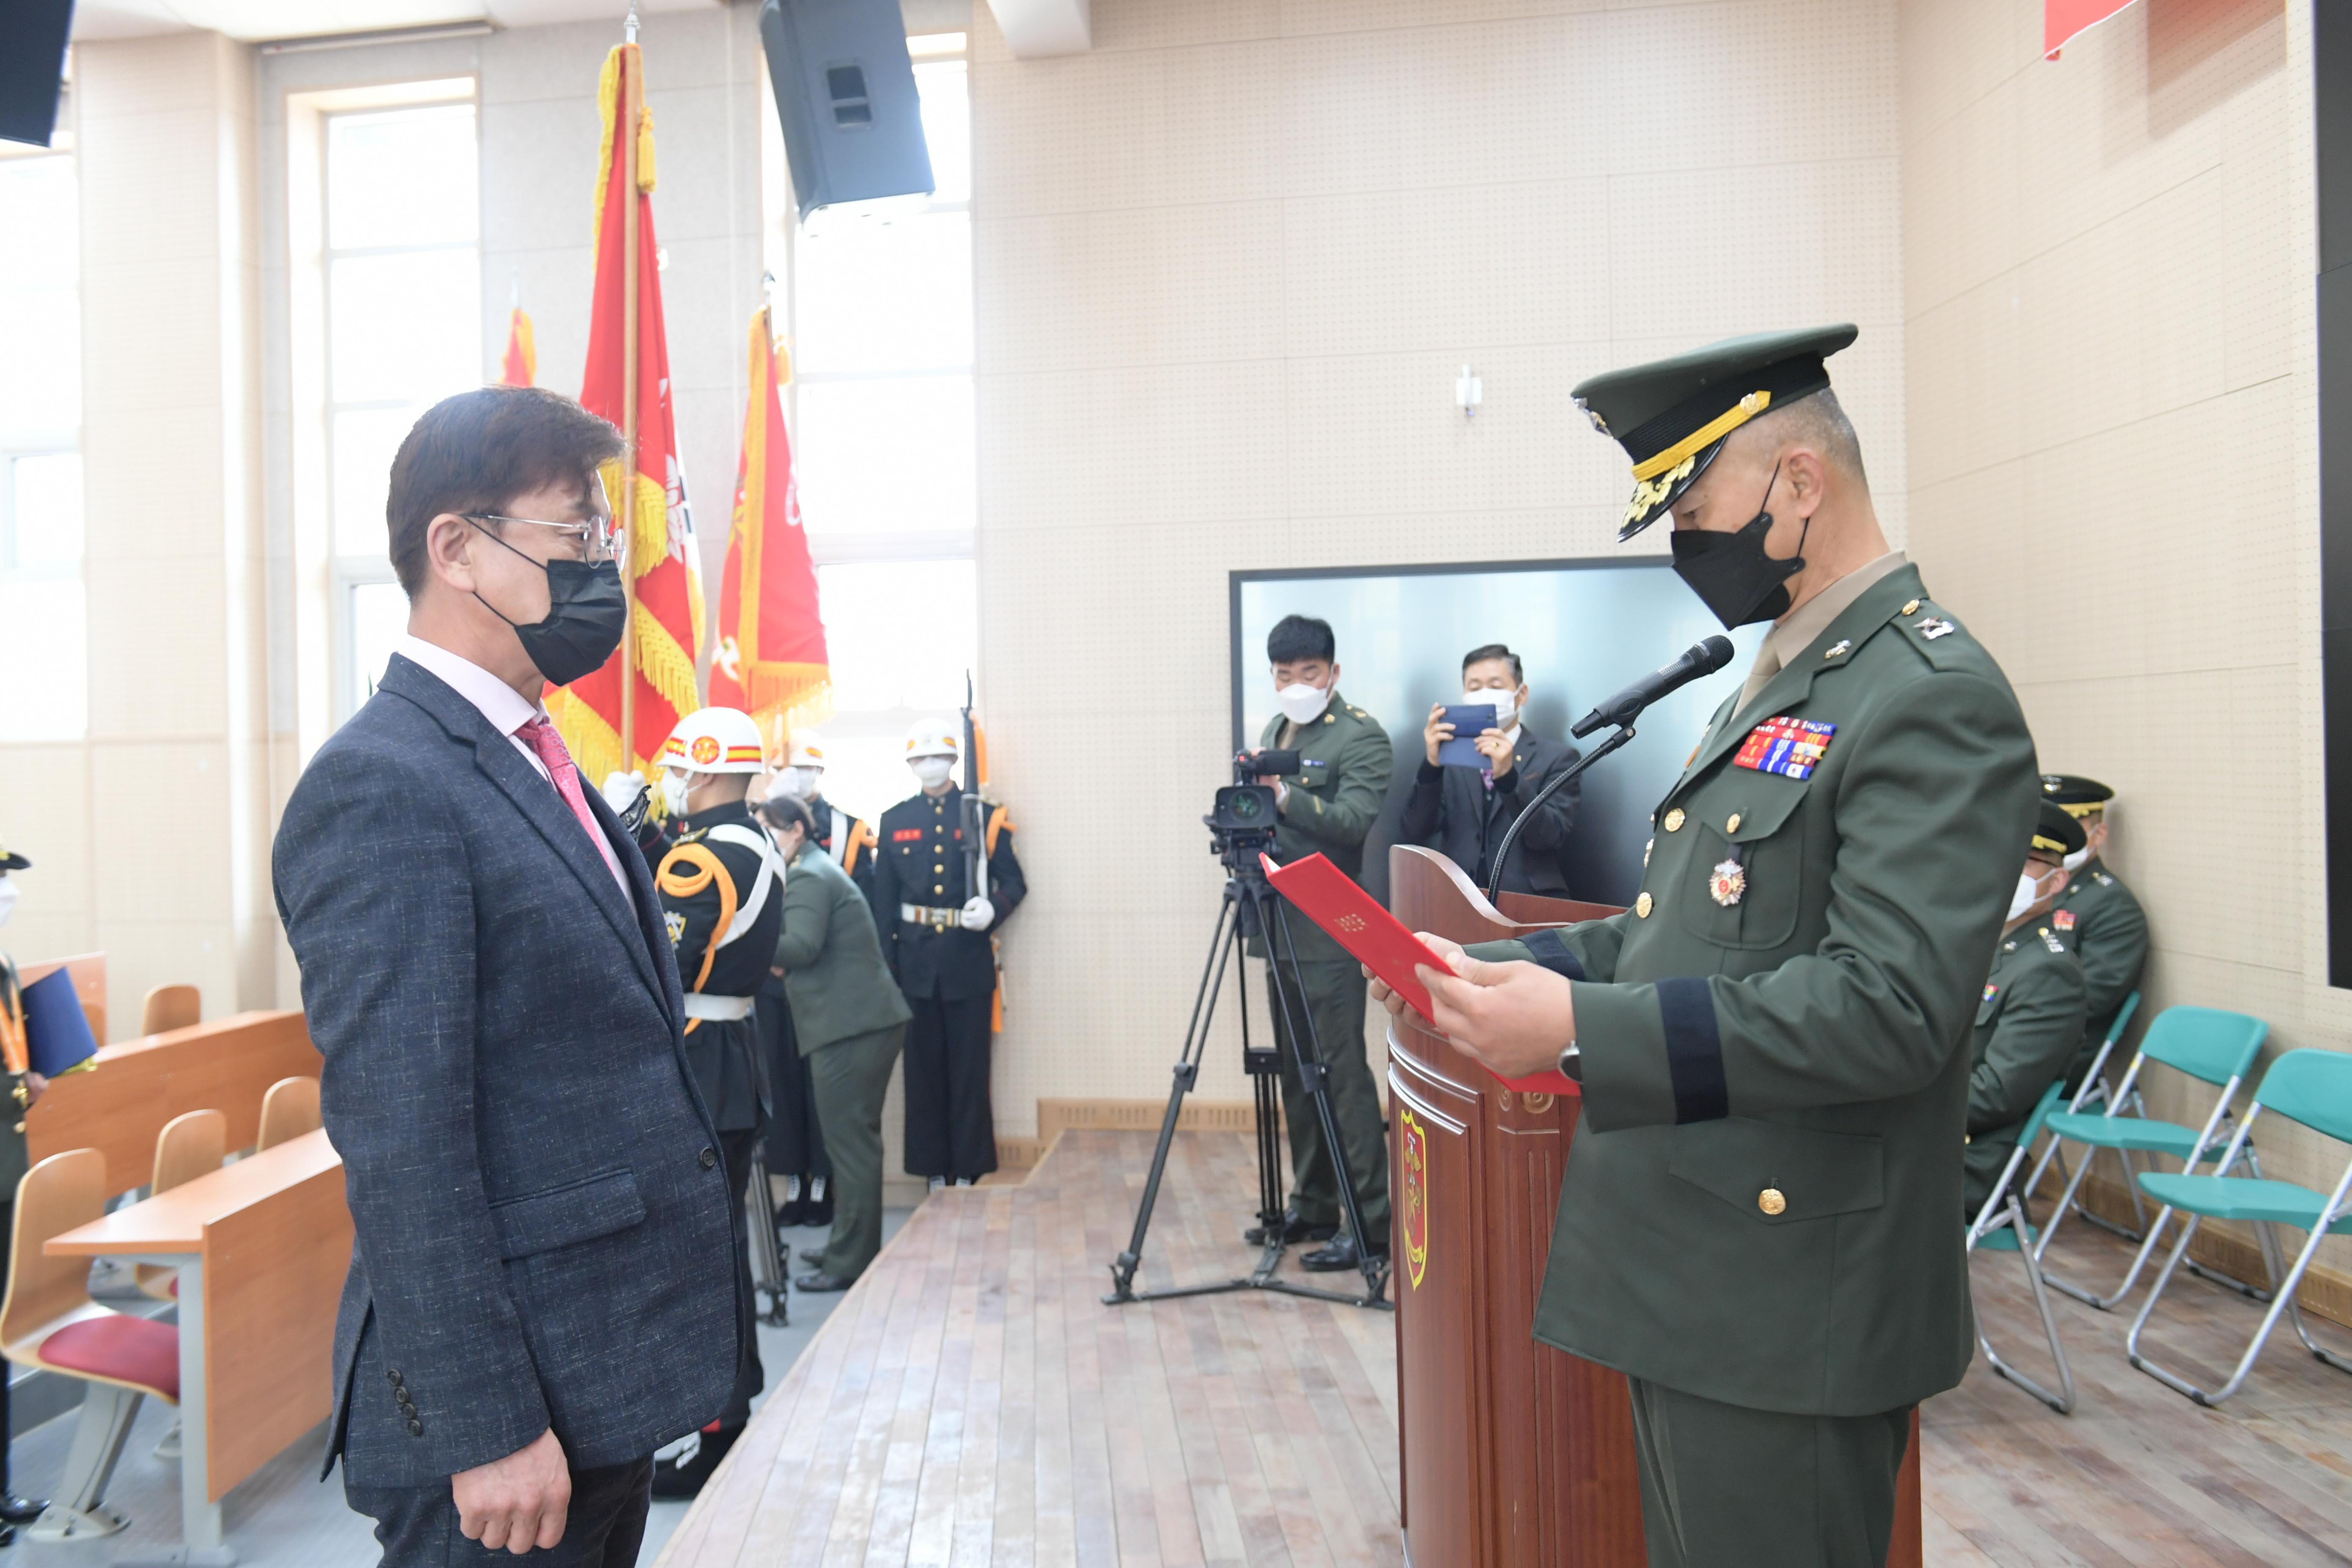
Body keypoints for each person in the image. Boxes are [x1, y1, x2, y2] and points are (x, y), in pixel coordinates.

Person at [1369, 327, 2037, 1568]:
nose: (1683, 538)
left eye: (1692, 499)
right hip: (1702, 1271)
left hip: (1793, 1295)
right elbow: (1700, 930)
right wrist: (1527, 968)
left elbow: (1888, 1007)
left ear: (1798, 481)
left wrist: (1575, 1030)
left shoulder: (1925, 694)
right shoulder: (1783, 677)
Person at [273, 386, 742, 1566]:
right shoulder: (383, 784)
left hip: (596, 1371)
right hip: (510, 1422)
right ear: (456, 549)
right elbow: (406, 1141)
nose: (602, 572)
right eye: (576, 538)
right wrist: (488, 1425)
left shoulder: (538, 756)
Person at [643, 705, 784, 1499]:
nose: (673, 782)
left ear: (703, 768)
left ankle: (716, 1426)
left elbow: (660, 966)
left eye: (678, 769)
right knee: (720, 1246)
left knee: (703, 1258)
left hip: (699, 1063)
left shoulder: (698, 862)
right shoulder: (750, 841)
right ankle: (727, 1409)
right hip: (730, 1058)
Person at [1247, 614, 1394, 1272]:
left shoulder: (1361, 736)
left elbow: (1355, 823)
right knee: (1296, 1074)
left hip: (1332, 931)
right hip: (1278, 923)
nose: (1296, 686)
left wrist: (1284, 801)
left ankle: (1371, 1224)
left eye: (1308, 674)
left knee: (1340, 1077)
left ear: (1332, 674)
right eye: (1284, 676)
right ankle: (1313, 1203)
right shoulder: (1273, 732)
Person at [760, 794, 912, 1291]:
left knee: (851, 1146)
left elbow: (800, 947)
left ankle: (851, 1261)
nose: (763, 839)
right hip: (854, 1023)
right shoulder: (814, 867)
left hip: (852, 1027)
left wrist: (740, 940)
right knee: (849, 1142)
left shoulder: (807, 875)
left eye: (768, 829)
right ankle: (847, 1245)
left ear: (795, 831)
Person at [872, 720, 1025, 1186]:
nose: (929, 766)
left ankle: (969, 1168)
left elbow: (1016, 883)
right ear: (911, 766)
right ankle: (932, 1167)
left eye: (937, 757)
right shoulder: (895, 819)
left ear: (955, 761)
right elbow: (883, 904)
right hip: (915, 964)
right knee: (922, 1074)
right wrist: (887, 968)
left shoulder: (982, 813)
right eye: (919, 759)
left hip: (967, 958)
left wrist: (992, 908)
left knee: (969, 1072)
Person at [753, 734, 880, 1229]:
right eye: (793, 768)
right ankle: (795, 1185)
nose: (802, 776)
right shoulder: (759, 824)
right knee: (781, 1086)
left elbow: (867, 909)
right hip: (771, 985)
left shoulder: (847, 829)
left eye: (810, 768)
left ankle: (825, 1185)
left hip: (823, 980)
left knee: (822, 1090)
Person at [1964, 801, 2090, 1218]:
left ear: (2057, 881)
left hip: (1963, 1161)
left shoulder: (2049, 971)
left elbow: (1996, 1095)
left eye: (2030, 862)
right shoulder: (1983, 949)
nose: (2010, 871)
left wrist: (1894, 1104)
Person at [1398, 642, 1584, 897]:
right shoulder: (1451, 756)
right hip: (1457, 901)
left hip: (1528, 904)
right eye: (1474, 688)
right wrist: (1432, 765)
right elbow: (1415, 830)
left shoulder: (1559, 758)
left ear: (1522, 694)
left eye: (1496, 687)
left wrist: (1509, 777)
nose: (1485, 694)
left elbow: (1547, 837)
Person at [0, 846, 51, 1541]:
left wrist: (30, 1077)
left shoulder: (7, 966)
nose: (7, 896)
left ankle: (2, 1488)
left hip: (9, 1172)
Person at [2037, 773, 2150, 1086]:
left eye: (2072, 830)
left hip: (2059, 1052)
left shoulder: (2111, 904)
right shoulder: (2032, 893)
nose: (2060, 841)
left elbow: (2092, 999)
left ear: (2099, 835)